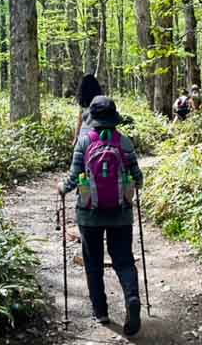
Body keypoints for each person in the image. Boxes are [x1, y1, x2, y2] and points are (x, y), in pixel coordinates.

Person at [58, 95, 143, 336]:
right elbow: (138, 178)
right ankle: (132, 298)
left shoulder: (84, 142)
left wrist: (61, 188)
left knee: (93, 262)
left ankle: (101, 312)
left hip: (89, 214)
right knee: (124, 260)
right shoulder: (124, 142)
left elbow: (73, 178)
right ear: (114, 118)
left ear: (93, 118)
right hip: (121, 214)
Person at [72, 73, 103, 145]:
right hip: (98, 133)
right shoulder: (100, 102)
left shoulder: (83, 102)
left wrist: (76, 137)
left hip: (84, 133)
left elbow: (79, 120)